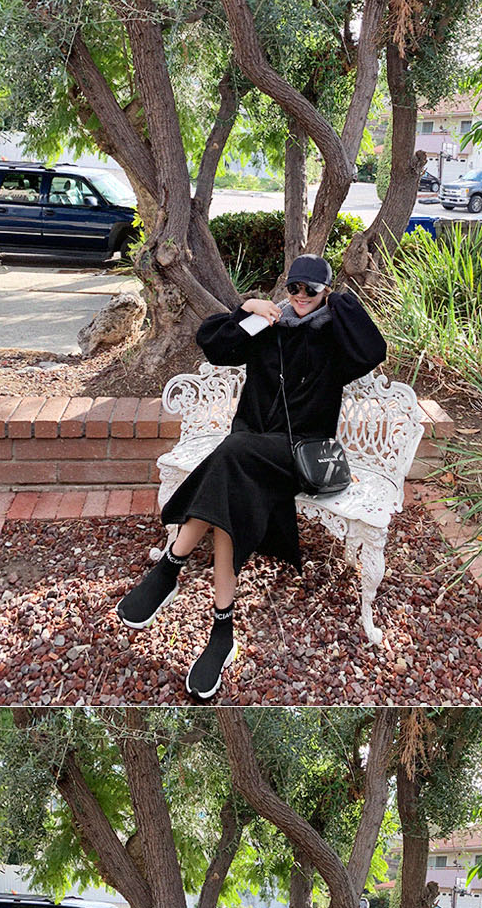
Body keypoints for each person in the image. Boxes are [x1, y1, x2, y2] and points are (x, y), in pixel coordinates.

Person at [118, 245, 388, 695]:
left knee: (234, 451)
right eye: (294, 287)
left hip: (300, 455)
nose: (300, 295)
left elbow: (373, 349)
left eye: (311, 289)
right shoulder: (268, 327)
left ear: (325, 292)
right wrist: (246, 308)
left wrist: (338, 299)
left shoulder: (334, 337)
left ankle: (171, 567)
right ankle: (221, 632)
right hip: (246, 457)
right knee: (231, 492)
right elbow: (215, 345)